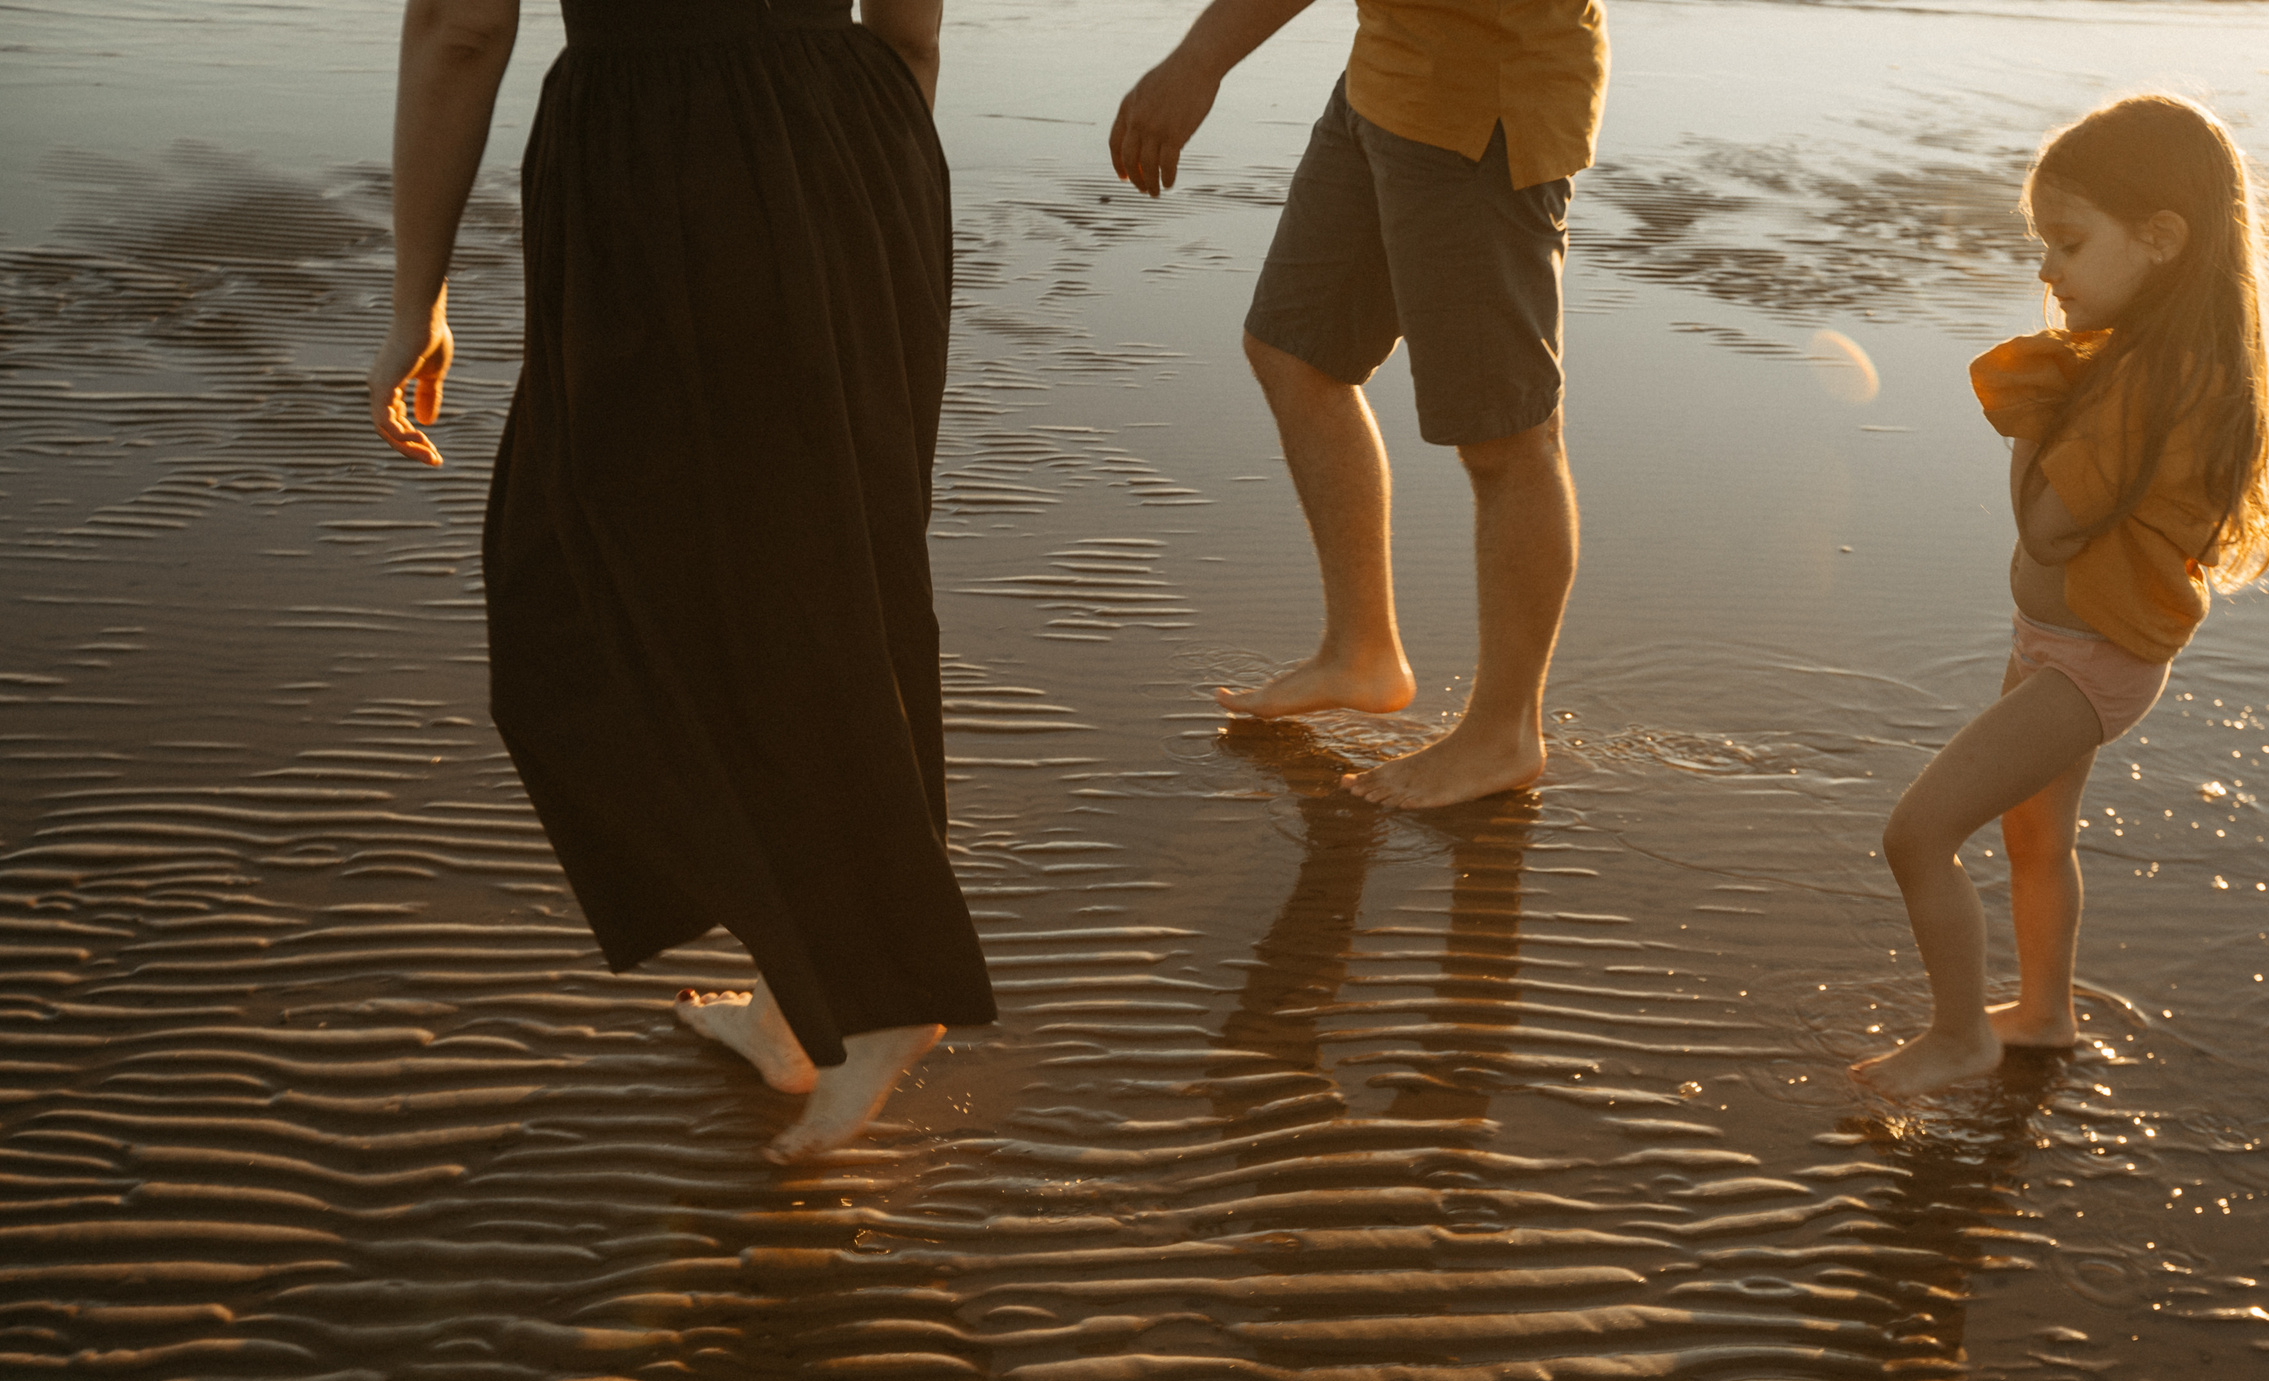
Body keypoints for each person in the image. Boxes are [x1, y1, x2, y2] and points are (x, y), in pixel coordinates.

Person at [367, 0, 996, 1163]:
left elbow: (461, 25)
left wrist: (419, 293)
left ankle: (880, 986)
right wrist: (856, 195)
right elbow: (909, 28)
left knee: (588, 585)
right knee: (835, 569)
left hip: (659, 154)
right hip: (865, 144)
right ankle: (810, 991)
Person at [1851, 94, 2269, 1099]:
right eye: (2041, 243)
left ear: (2158, 240)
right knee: (2033, 834)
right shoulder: (2149, 358)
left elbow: (2047, 526)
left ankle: (1959, 1035)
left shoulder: (2151, 381)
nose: (2045, 269)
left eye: (2066, 241)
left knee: (1917, 834)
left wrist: (2024, 417)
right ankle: (2044, 1012)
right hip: (2065, 639)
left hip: (2091, 659)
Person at [1109, 0, 1606, 809]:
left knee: (1506, 438)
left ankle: (1505, 731)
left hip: (1486, 98)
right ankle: (1361, 649)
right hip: (1387, 77)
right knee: (1294, 351)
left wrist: (1198, 62)